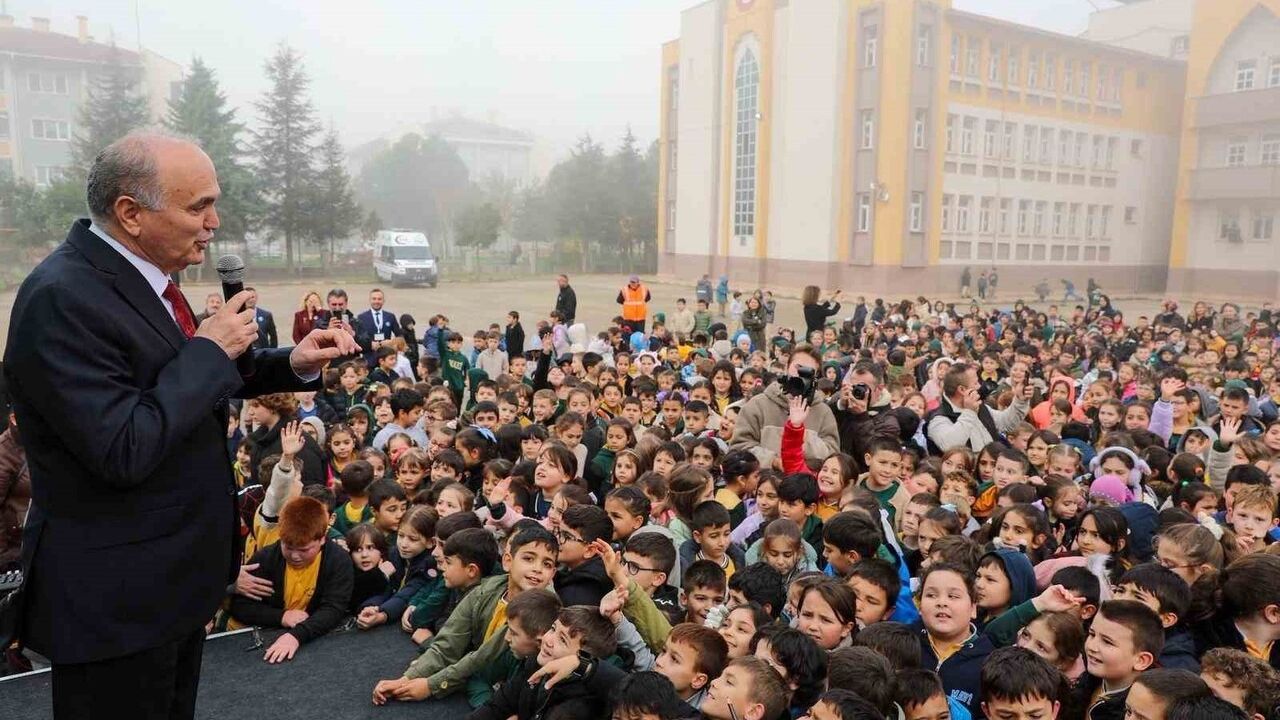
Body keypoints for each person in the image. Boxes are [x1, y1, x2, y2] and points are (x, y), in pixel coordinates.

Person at [3, 130, 357, 719]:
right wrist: (210, 351)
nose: (215, 222)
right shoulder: (61, 298)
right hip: (118, 604)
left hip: (171, 587)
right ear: (130, 213)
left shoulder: (142, 280)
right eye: (199, 206)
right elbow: (123, 445)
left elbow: (173, 381)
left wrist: (289, 362)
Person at [227, 496, 354, 663]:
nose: (295, 556)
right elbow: (239, 606)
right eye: (287, 547)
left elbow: (334, 608)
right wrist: (282, 616)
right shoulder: (266, 558)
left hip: (310, 641)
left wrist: (297, 636)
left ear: (322, 538)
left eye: (304, 549)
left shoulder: (338, 560)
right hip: (252, 642)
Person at [0, 410, 30, 569]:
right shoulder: (4, 452)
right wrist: (4, 557)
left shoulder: (41, 441)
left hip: (41, 537)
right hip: (16, 547)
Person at [356, 288, 401, 367]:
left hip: (387, 359)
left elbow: (400, 337)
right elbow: (358, 339)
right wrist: (370, 344)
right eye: (374, 299)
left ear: (383, 301)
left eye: (379, 299)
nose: (376, 301)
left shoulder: (390, 316)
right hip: (369, 359)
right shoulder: (361, 317)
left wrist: (391, 342)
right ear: (370, 300)